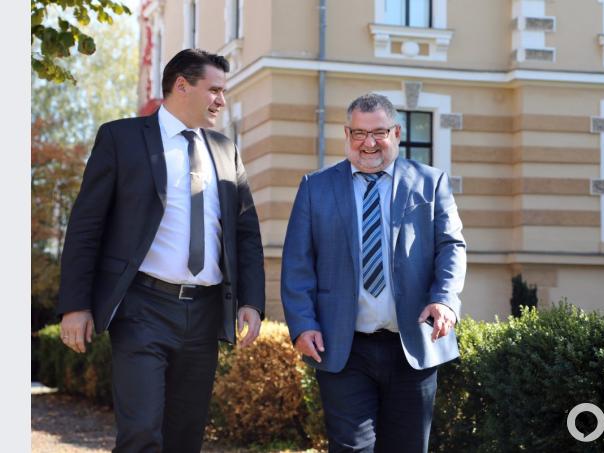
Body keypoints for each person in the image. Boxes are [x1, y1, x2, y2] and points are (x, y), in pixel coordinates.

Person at [56, 48, 265, 453]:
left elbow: (246, 234)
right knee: (141, 434)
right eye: (215, 90)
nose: (222, 100)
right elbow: (86, 227)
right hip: (142, 309)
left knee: (185, 437)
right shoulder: (122, 138)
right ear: (182, 86)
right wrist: (75, 304)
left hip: (205, 314)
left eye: (225, 91)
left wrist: (251, 302)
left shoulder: (226, 151)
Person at [281, 93, 467, 452]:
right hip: (343, 347)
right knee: (351, 448)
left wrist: (444, 300)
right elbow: (297, 264)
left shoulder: (430, 182)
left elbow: (451, 247)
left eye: (378, 133)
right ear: (347, 134)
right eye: (358, 134)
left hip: (413, 344)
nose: (368, 143)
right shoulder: (315, 187)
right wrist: (303, 324)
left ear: (396, 132)